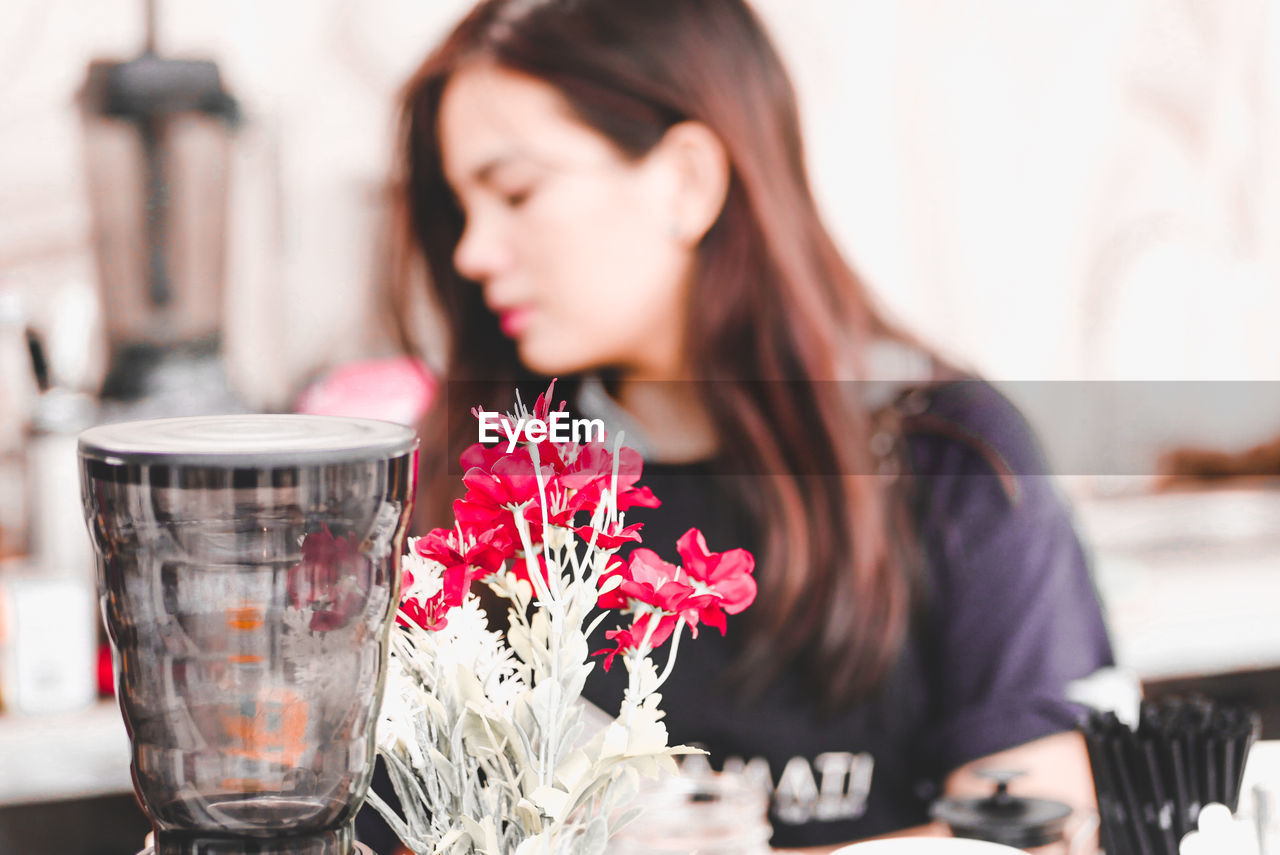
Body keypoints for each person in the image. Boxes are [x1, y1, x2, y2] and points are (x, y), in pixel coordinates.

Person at [374, 0, 1115, 851]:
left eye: (516, 190)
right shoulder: (489, 487)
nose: (472, 252)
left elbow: (1039, 822)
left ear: (688, 179)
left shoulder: (949, 457)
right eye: (461, 206)